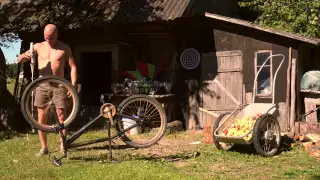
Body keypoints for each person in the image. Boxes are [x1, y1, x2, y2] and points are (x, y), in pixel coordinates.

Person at [17, 24, 77, 156]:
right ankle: (44, 147)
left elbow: (73, 67)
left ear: (57, 35)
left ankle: (62, 145)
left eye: (51, 37)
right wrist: (23, 57)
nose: (48, 39)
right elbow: (19, 59)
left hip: (60, 85)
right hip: (42, 85)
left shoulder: (64, 48)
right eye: (46, 36)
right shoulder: (38, 46)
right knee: (41, 118)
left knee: (62, 116)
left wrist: (72, 85)